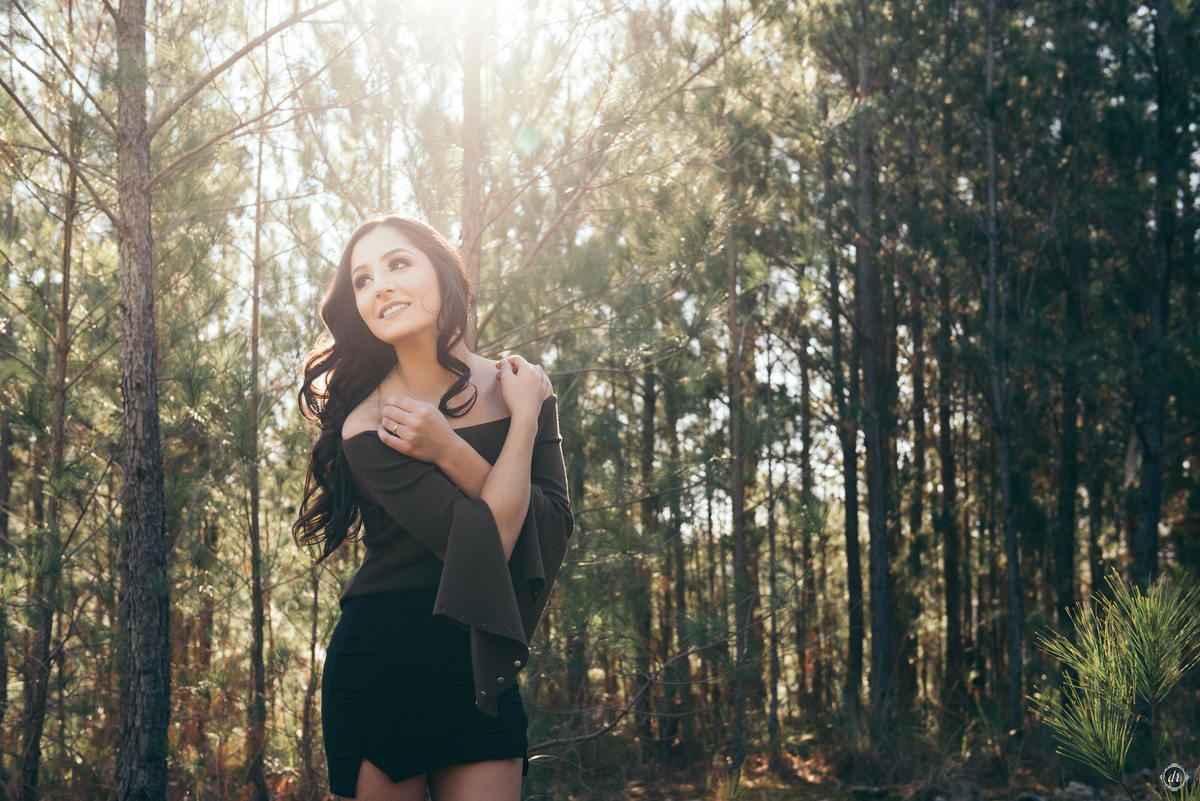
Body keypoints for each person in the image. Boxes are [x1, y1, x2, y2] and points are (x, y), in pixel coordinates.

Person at [293, 214, 574, 800]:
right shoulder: (370, 421)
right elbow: (488, 544)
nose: (381, 286)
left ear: (443, 272)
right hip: (384, 661)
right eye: (363, 280)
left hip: (479, 661)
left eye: (398, 264)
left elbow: (550, 531)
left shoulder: (523, 388)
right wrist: (494, 436)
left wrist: (470, 439)